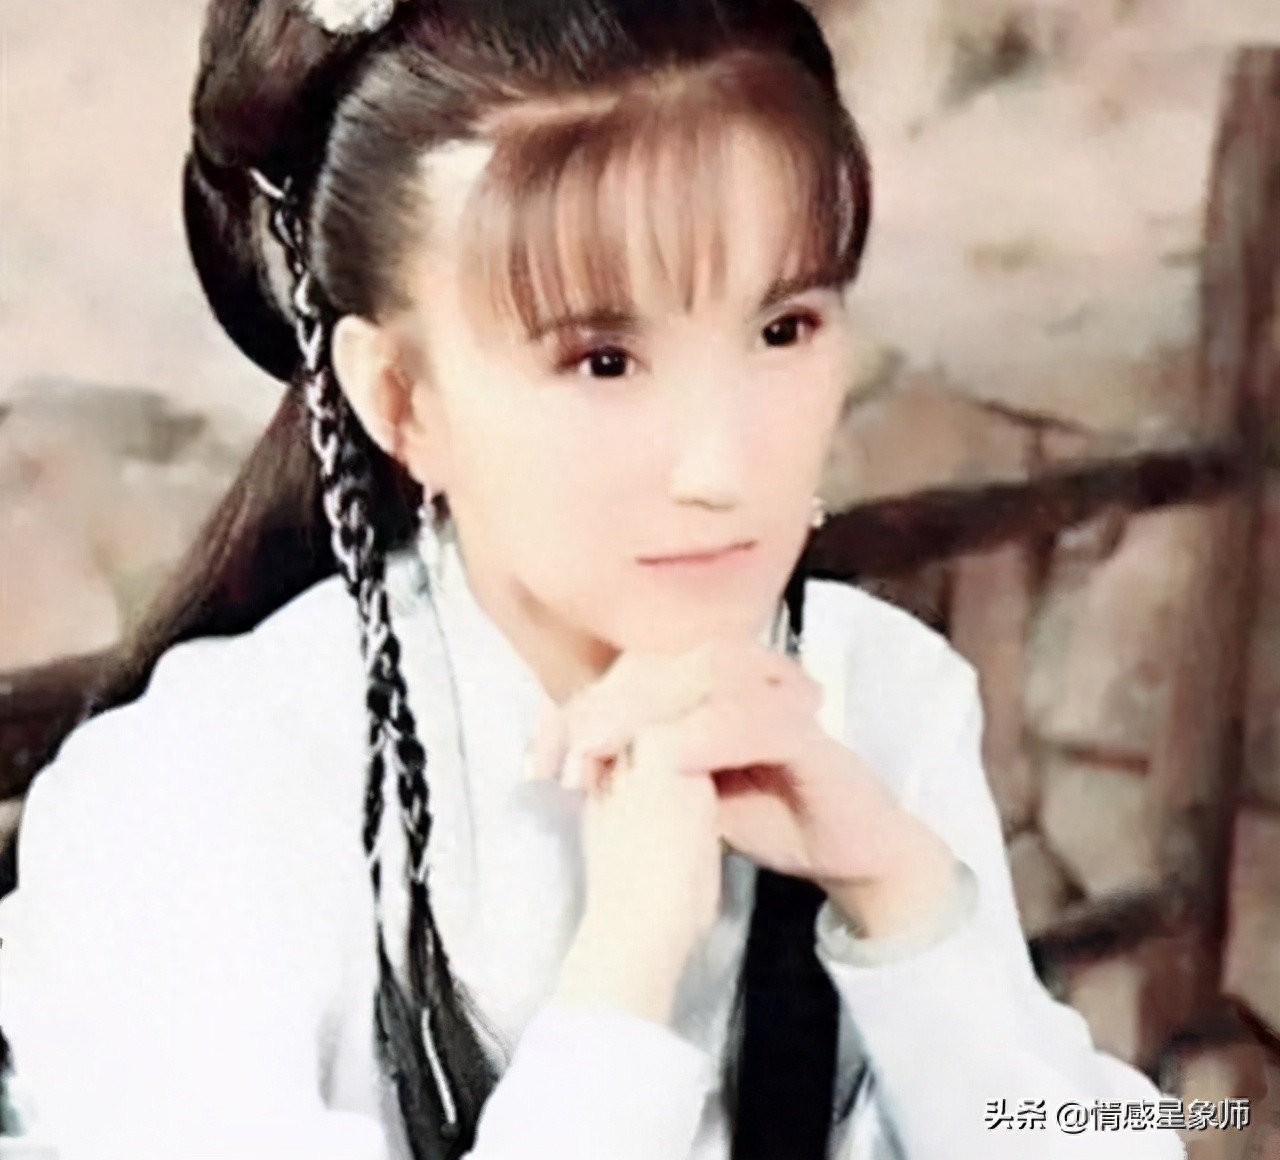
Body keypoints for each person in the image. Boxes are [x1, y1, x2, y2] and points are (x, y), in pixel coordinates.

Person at [0, 0, 1189, 1157]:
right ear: (400, 398)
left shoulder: (876, 693)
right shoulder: (189, 797)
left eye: (782, 327)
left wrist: (907, 903)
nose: (720, 467)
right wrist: (625, 974)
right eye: (602, 360)